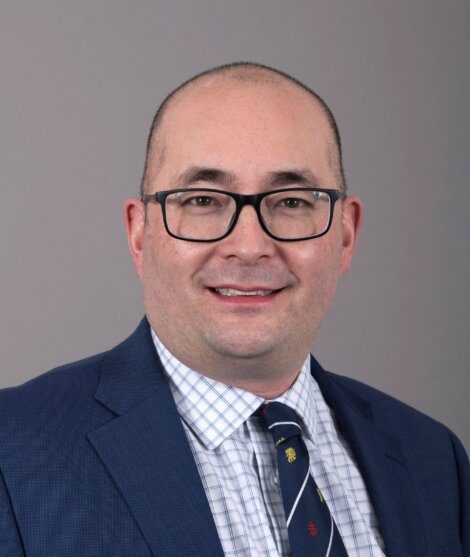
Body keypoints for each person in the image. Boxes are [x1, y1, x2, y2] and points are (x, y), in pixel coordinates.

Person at [0, 62, 468, 557]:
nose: (249, 246)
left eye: (290, 202)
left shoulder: (433, 459)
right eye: (203, 199)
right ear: (140, 235)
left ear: (346, 235)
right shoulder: (13, 454)